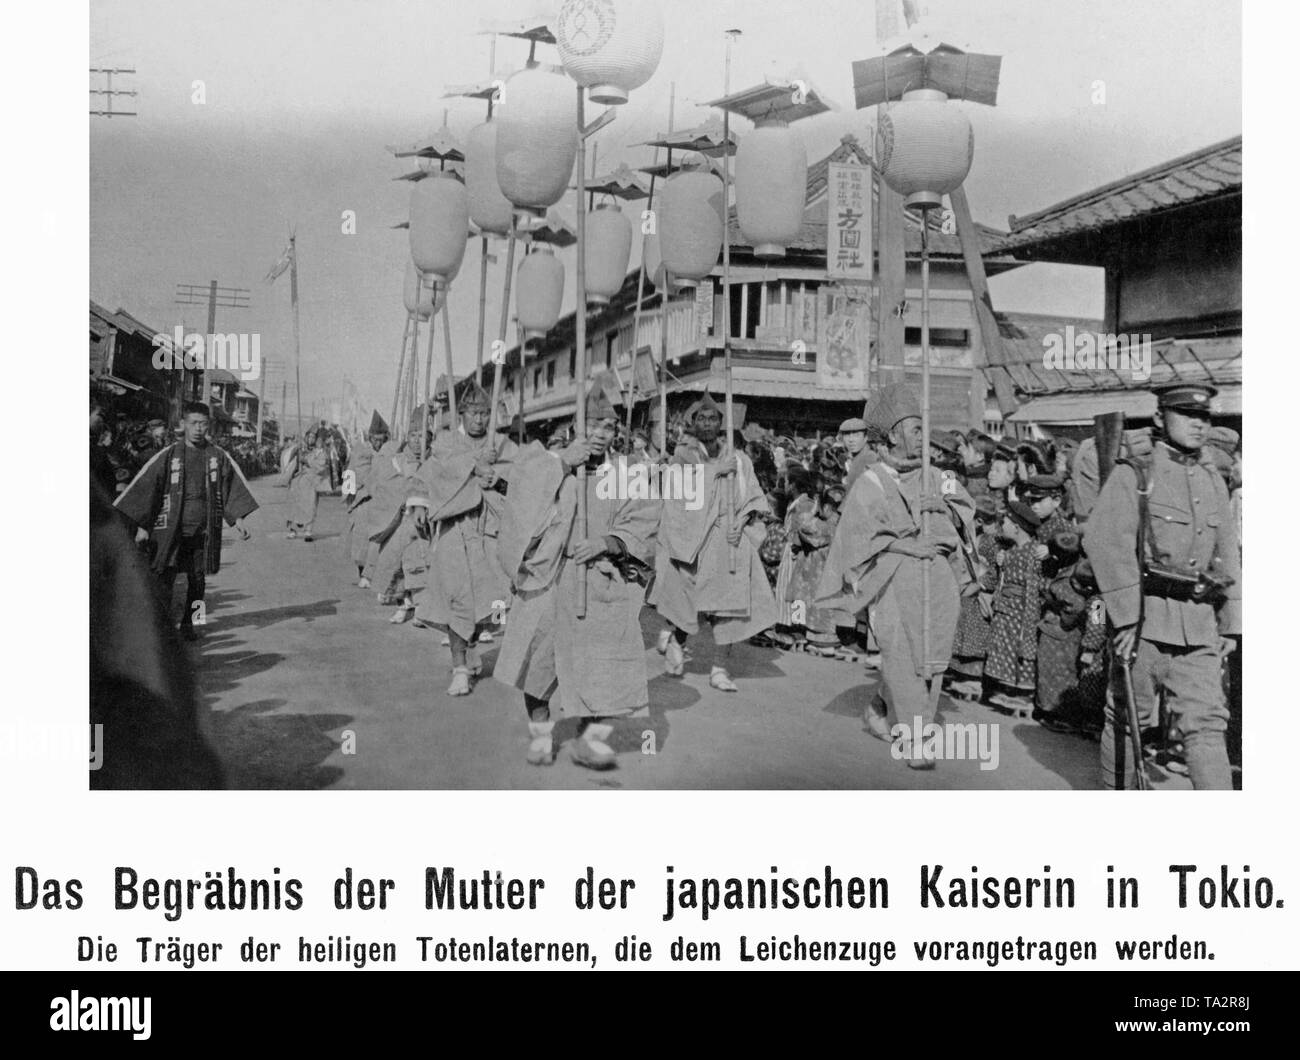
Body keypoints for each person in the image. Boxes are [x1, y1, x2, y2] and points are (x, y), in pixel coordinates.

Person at [493, 380, 661, 769]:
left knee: (607, 666)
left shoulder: (627, 471)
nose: (602, 435)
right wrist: (563, 464)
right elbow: (523, 506)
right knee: (538, 665)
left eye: (609, 428)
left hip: (603, 578)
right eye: (593, 426)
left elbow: (646, 520)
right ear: (574, 425)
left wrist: (610, 541)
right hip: (554, 578)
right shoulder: (549, 462)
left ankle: (591, 740)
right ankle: (539, 733)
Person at [1084, 382, 1241, 790]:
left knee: (1207, 725)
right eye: (1187, 414)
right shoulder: (1136, 473)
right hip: (1144, 621)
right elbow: (1105, 541)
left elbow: (1227, 554)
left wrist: (1231, 623)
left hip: (1199, 623)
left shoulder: (1213, 480)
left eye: (1205, 416)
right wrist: (1126, 618)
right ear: (1159, 418)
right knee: (1126, 717)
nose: (1198, 424)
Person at [817, 384, 975, 768]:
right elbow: (856, 545)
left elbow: (967, 509)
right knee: (901, 657)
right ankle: (917, 738)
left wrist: (942, 505)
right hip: (890, 583)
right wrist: (905, 547)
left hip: (937, 583)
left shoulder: (939, 475)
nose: (923, 435)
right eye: (915, 428)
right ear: (892, 435)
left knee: (931, 659)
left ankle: (881, 710)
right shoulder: (869, 483)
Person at [648, 393, 778, 692]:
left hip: (729, 539)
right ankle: (676, 639)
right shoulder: (684, 455)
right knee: (689, 601)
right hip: (694, 540)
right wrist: (712, 473)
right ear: (693, 423)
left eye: (713, 418)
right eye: (701, 418)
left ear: (722, 423)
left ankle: (720, 667)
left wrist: (742, 522)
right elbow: (676, 492)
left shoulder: (739, 458)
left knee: (730, 607)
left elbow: (754, 496)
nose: (707, 423)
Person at [405, 385, 518, 696]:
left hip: (490, 531)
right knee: (457, 597)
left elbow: (523, 486)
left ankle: (470, 646)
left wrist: (498, 479)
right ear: (462, 415)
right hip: (455, 529)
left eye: (484, 414)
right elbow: (426, 477)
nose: (479, 420)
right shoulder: (446, 445)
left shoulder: (505, 446)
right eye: (473, 414)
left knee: (491, 599)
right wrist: (418, 504)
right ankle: (458, 668)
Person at [114, 402, 256, 641]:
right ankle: (162, 626)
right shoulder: (169, 455)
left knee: (198, 580)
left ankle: (192, 623)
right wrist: (142, 525)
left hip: (203, 530)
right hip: (171, 528)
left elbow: (230, 485)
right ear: (183, 424)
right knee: (165, 577)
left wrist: (238, 519)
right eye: (194, 423)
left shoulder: (217, 456)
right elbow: (149, 487)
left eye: (203, 424)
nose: (199, 429)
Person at [984, 500, 1045, 715]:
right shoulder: (1010, 550)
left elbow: (1034, 587)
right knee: (1005, 648)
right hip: (1006, 608)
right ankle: (1009, 688)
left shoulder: (1033, 553)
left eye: (1006, 522)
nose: (1003, 526)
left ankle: (1023, 693)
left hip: (1021, 611)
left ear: (1017, 528)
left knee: (1020, 648)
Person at [344, 411, 390, 584]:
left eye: (381, 440)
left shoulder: (389, 451)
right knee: (361, 537)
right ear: (370, 437)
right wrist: (349, 498)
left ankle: (373, 573)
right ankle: (362, 571)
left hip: (383, 500)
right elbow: (350, 471)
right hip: (363, 499)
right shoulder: (360, 451)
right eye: (375, 439)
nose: (378, 443)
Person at [284, 427, 332, 541]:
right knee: (293, 505)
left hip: (311, 482)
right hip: (297, 481)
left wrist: (307, 461)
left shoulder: (319, 451)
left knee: (310, 506)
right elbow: (288, 460)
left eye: (313, 437)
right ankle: (292, 530)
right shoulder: (300, 448)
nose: (310, 439)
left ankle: (308, 531)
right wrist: (297, 456)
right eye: (309, 437)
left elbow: (321, 465)